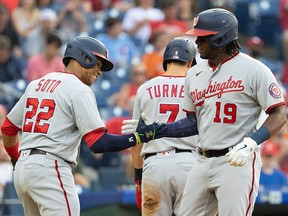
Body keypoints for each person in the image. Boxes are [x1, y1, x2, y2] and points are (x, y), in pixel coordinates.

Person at [122, 8, 287, 216]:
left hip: (236, 159)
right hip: (201, 161)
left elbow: (279, 114)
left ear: (221, 37)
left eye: (202, 37)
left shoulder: (254, 69)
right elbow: (192, 123)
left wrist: (253, 142)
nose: (197, 42)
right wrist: (157, 130)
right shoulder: (195, 74)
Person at [0, 36, 151, 216]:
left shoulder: (36, 84)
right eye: (98, 63)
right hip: (51, 169)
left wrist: (17, 160)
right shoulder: (79, 89)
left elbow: (8, 128)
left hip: (23, 171)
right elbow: (99, 143)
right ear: (84, 57)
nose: (100, 71)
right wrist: (140, 136)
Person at [122, 37, 198, 215]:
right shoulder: (197, 87)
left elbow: (136, 140)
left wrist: (138, 177)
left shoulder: (145, 88)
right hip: (190, 163)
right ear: (190, 62)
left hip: (154, 164)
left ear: (166, 61)